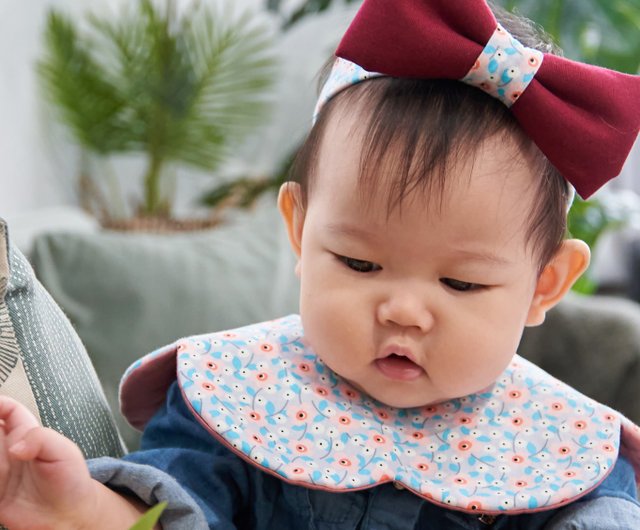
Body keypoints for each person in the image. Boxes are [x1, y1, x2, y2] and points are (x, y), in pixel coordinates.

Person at [1, 0, 640, 528]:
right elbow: (169, 507)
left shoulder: (566, 450)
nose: (404, 310)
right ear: (301, 231)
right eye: (361, 263)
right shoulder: (232, 397)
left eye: (460, 282)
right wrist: (82, 507)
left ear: (545, 283)